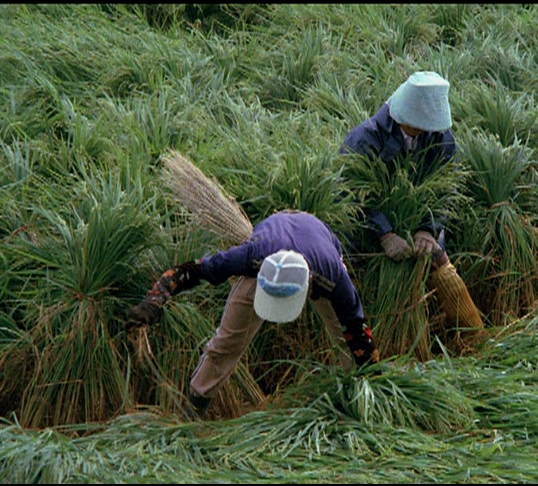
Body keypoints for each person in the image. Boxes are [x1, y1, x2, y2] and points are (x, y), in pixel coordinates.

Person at [126, 209, 380, 419]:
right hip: (273, 247)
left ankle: (360, 401)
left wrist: (376, 376)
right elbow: (193, 270)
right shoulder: (250, 257)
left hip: (317, 247)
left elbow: (358, 327)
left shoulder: (333, 276)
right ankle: (194, 410)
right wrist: (155, 299)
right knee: (228, 340)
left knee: (349, 343)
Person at [340, 70, 484, 334]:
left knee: (441, 264)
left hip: (419, 224)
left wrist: (428, 229)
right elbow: (350, 193)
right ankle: (376, 342)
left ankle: (473, 335)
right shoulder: (366, 138)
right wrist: (384, 233)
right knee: (359, 282)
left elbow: (445, 188)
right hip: (368, 232)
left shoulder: (440, 137)